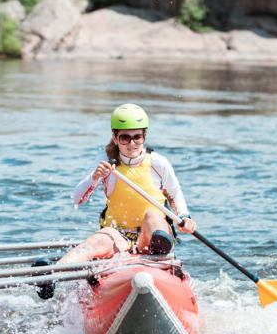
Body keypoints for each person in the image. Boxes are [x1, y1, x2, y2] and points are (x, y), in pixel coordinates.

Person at [59, 103, 197, 265]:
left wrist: (184, 217)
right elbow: (77, 199)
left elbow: (175, 193)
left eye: (137, 137)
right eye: (125, 138)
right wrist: (94, 177)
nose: (132, 144)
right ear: (115, 138)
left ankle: (156, 258)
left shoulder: (158, 163)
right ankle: (55, 271)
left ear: (144, 136)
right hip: (118, 235)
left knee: (152, 215)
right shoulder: (105, 160)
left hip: (151, 234)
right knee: (95, 241)